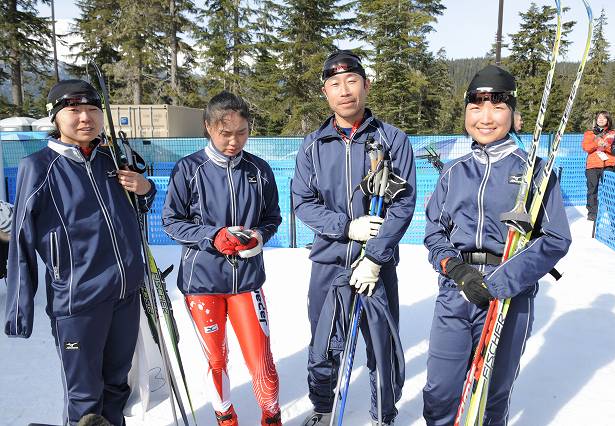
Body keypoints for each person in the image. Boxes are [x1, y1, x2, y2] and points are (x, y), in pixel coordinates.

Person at [422, 65, 571, 425]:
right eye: (476, 107)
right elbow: (433, 232)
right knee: (440, 392)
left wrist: (498, 283)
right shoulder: (454, 172)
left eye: (497, 107)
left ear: (514, 115)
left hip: (509, 297)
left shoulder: (534, 170)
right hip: (456, 290)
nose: (485, 118)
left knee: (490, 395)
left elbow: (555, 239)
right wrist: (455, 269)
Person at [4, 79, 156, 426]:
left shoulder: (111, 159)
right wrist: (18, 307)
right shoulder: (39, 167)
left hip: (125, 295)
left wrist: (144, 188)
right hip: (78, 301)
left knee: (117, 387)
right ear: (56, 118)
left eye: (92, 109)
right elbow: (22, 239)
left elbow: (138, 208)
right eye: (74, 110)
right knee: (85, 399)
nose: (85, 117)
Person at [291, 50, 416, 426]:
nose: (344, 91)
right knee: (324, 344)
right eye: (335, 84)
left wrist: (376, 257)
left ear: (366, 84)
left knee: (381, 346)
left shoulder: (391, 140)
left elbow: (403, 203)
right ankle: (323, 408)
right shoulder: (314, 145)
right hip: (330, 262)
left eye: (351, 81)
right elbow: (302, 201)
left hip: (375, 267)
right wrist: (346, 227)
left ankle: (383, 414)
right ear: (325, 92)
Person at [162, 91, 283, 426]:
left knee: (261, 361)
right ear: (208, 128)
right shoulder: (189, 168)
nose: (233, 141)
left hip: (246, 281)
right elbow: (171, 222)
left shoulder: (259, 170)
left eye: (241, 133)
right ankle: (225, 417)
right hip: (202, 283)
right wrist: (211, 236)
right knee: (216, 359)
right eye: (225, 133)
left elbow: (272, 217)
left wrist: (259, 236)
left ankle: (272, 417)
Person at [581, 110, 615, 220]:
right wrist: (596, 143)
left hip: (608, 164)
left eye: (604, 117)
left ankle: (613, 214)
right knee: (592, 189)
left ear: (608, 120)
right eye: (599, 117)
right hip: (593, 165)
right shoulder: (589, 133)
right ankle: (592, 213)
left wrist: (606, 146)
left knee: (610, 190)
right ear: (596, 120)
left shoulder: (613, 133)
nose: (601, 119)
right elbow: (586, 148)